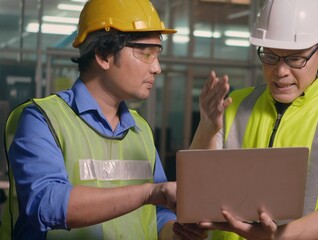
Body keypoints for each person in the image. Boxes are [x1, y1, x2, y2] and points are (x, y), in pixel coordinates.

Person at [0, 0, 206, 239]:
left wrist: (176, 232)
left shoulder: (140, 129)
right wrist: (149, 192)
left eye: (158, 54)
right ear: (103, 54)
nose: (157, 68)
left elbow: (157, 213)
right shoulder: (43, 120)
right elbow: (47, 204)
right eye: (147, 53)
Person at [191, 0, 318, 239]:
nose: (280, 71)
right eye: (270, 56)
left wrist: (276, 237)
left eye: (295, 58)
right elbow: (199, 191)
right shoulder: (233, 106)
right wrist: (207, 128)